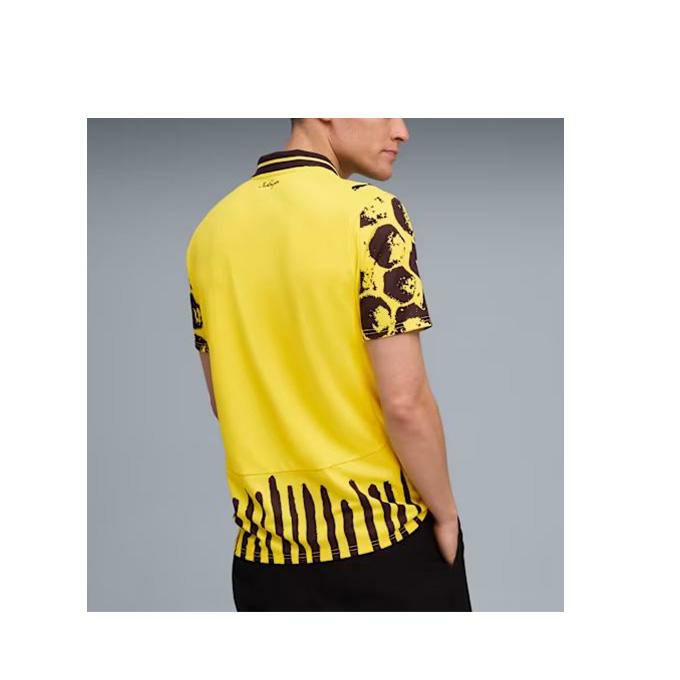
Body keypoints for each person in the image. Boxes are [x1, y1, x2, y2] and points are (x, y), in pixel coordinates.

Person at [185, 118, 472, 611]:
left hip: (265, 563)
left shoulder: (209, 233)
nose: (401, 129)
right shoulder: (372, 215)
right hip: (382, 540)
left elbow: (223, 401)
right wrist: (446, 514)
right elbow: (404, 402)